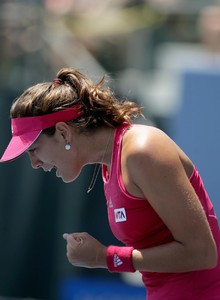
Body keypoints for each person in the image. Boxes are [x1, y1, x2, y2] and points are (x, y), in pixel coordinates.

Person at [1, 67, 220, 300]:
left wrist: (105, 257)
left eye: (34, 149)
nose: (34, 163)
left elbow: (203, 253)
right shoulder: (112, 164)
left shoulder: (143, 150)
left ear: (64, 133)